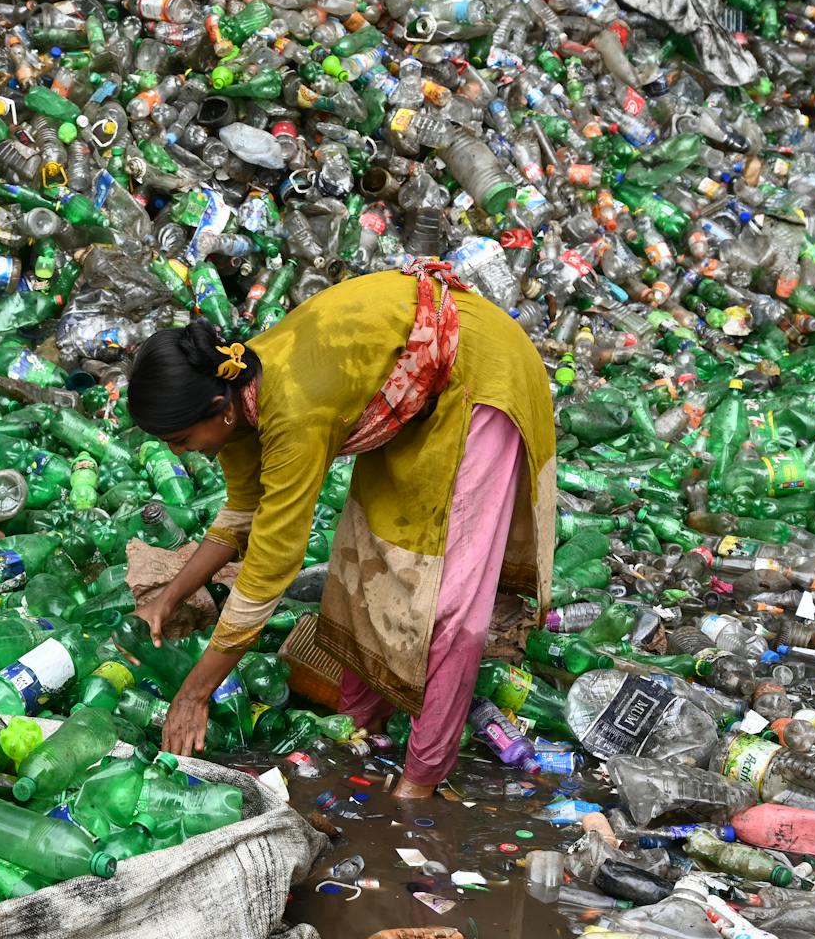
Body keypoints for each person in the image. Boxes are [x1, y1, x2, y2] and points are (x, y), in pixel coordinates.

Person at [127, 262, 556, 797]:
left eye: (181, 438)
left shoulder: (291, 412)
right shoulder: (233, 392)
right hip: (406, 391)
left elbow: (269, 567)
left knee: (448, 593)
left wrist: (195, 693)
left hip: (480, 372)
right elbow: (241, 513)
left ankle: (422, 779)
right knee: (368, 563)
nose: (177, 452)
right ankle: (361, 729)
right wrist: (169, 598)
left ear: (220, 409)